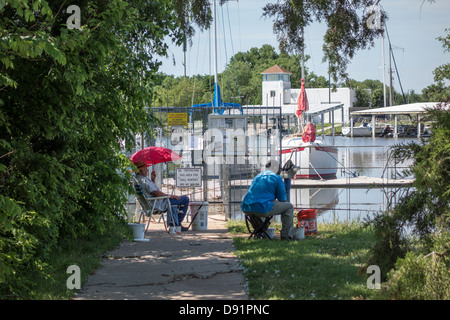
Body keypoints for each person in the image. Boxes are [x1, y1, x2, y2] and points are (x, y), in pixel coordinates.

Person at [241, 160, 295, 240]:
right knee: (289, 207)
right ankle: (286, 236)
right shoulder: (277, 178)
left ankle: (259, 232)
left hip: (246, 207)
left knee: (262, 205)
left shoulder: (257, 177)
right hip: (262, 208)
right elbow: (282, 200)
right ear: (276, 168)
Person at [134, 162, 190, 231]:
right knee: (185, 199)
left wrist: (153, 180)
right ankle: (177, 224)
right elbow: (155, 193)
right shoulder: (143, 180)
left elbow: (150, 191)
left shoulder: (138, 179)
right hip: (159, 203)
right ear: (141, 170)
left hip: (153, 203)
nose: (147, 170)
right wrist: (170, 196)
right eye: (146, 168)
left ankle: (175, 223)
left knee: (177, 201)